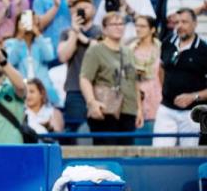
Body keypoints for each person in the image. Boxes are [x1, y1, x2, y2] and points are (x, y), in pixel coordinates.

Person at [80, 12, 143, 146]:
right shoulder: (95, 50)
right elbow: (85, 78)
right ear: (104, 28)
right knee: (106, 155)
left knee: (127, 156)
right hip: (105, 110)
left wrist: (139, 109)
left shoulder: (128, 52)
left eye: (121, 24)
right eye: (114, 24)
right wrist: (92, 102)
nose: (118, 27)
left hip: (128, 111)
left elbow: (134, 81)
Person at [153, 8, 207, 147]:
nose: (180, 26)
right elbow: (161, 68)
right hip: (166, 108)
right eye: (177, 22)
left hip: (192, 113)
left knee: (190, 155)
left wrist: (193, 97)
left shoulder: (203, 50)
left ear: (195, 24)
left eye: (185, 22)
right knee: (159, 153)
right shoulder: (167, 42)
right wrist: (166, 91)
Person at [57, 0, 101, 139]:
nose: (82, 10)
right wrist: (75, 32)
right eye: (78, 8)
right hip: (74, 90)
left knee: (99, 133)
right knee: (73, 133)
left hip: (99, 89)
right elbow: (63, 56)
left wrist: (84, 38)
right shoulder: (67, 33)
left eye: (86, 7)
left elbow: (100, 53)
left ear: (94, 10)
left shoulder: (100, 31)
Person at [5, 11, 58, 105]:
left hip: (42, 87)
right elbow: (11, 61)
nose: (29, 23)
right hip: (20, 87)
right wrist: (20, 37)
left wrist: (37, 33)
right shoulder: (10, 43)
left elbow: (49, 57)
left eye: (32, 20)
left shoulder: (44, 41)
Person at [129, 16, 162, 145]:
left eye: (142, 26)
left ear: (152, 29)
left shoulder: (161, 49)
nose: (138, 29)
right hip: (135, 100)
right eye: (136, 26)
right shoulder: (130, 49)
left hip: (157, 100)